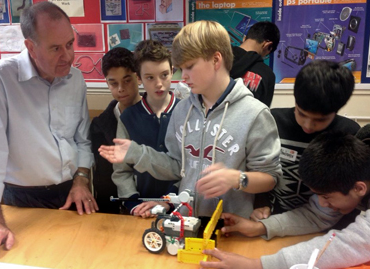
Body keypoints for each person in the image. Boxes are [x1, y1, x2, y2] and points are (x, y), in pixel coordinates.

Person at [99, 20, 282, 219]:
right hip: (185, 222)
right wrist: (138, 154)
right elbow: (178, 167)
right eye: (180, 69)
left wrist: (238, 178)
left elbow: (271, 178)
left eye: (189, 67)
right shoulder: (183, 110)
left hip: (230, 225)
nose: (183, 77)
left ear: (215, 60)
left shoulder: (255, 113)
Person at [0, 2, 95, 261]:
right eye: (55, 48)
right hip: (19, 200)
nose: (67, 56)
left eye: (69, 44)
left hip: (69, 194)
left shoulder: (75, 79)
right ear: (30, 47)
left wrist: (80, 179)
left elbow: (82, 140)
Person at [220, 60, 360, 240]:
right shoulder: (271, 121)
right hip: (272, 220)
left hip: (327, 230)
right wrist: (262, 204)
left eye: (320, 120)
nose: (308, 126)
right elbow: (257, 167)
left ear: (336, 111)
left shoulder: (349, 134)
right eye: (301, 113)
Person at [201, 130, 370, 269]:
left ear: (359, 188)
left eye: (326, 197)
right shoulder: (357, 158)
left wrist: (256, 265)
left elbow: (355, 243)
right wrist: (260, 227)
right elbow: (316, 215)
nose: (322, 203)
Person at [112, 40, 179, 217]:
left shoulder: (187, 114)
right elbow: (121, 171)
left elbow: (192, 167)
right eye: (150, 77)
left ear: (173, 71)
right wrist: (133, 203)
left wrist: (170, 200)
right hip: (140, 210)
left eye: (164, 75)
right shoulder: (127, 118)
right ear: (139, 78)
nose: (159, 83)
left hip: (179, 207)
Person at [90, 47, 141, 214]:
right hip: (112, 208)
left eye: (127, 80)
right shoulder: (99, 126)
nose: (120, 88)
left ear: (138, 77)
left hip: (149, 204)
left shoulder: (154, 117)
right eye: (113, 83)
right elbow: (102, 178)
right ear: (107, 83)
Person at [230, 21, 280, 107]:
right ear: (267, 45)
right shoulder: (267, 74)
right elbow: (263, 113)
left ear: (244, 38)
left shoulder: (219, 58)